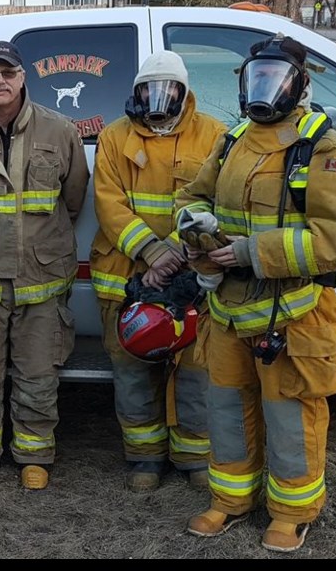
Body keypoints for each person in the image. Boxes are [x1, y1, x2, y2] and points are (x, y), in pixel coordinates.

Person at [176, 35, 336, 552]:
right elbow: (191, 195)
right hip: (228, 312)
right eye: (257, 78)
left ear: (300, 85)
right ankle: (231, 500)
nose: (265, 91)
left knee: (290, 417)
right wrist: (195, 230)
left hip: (292, 316)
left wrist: (250, 253)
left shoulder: (323, 148)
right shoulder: (233, 139)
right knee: (227, 410)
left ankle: (292, 512)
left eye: (276, 79)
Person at [0, 39, 89, 489]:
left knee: (38, 370)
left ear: (23, 77)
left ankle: (34, 455)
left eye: (8, 73)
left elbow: (74, 200)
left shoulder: (60, 131)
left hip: (41, 277)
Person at [90, 50, 228, 492]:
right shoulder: (114, 137)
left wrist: (175, 251)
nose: (158, 99)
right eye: (149, 89)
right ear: (136, 93)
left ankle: (193, 459)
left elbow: (216, 200)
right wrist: (151, 251)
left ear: (185, 92)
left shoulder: (215, 135)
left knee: (195, 369)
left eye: (168, 89)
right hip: (127, 275)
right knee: (132, 371)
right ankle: (144, 459)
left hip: (190, 274)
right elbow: (109, 204)